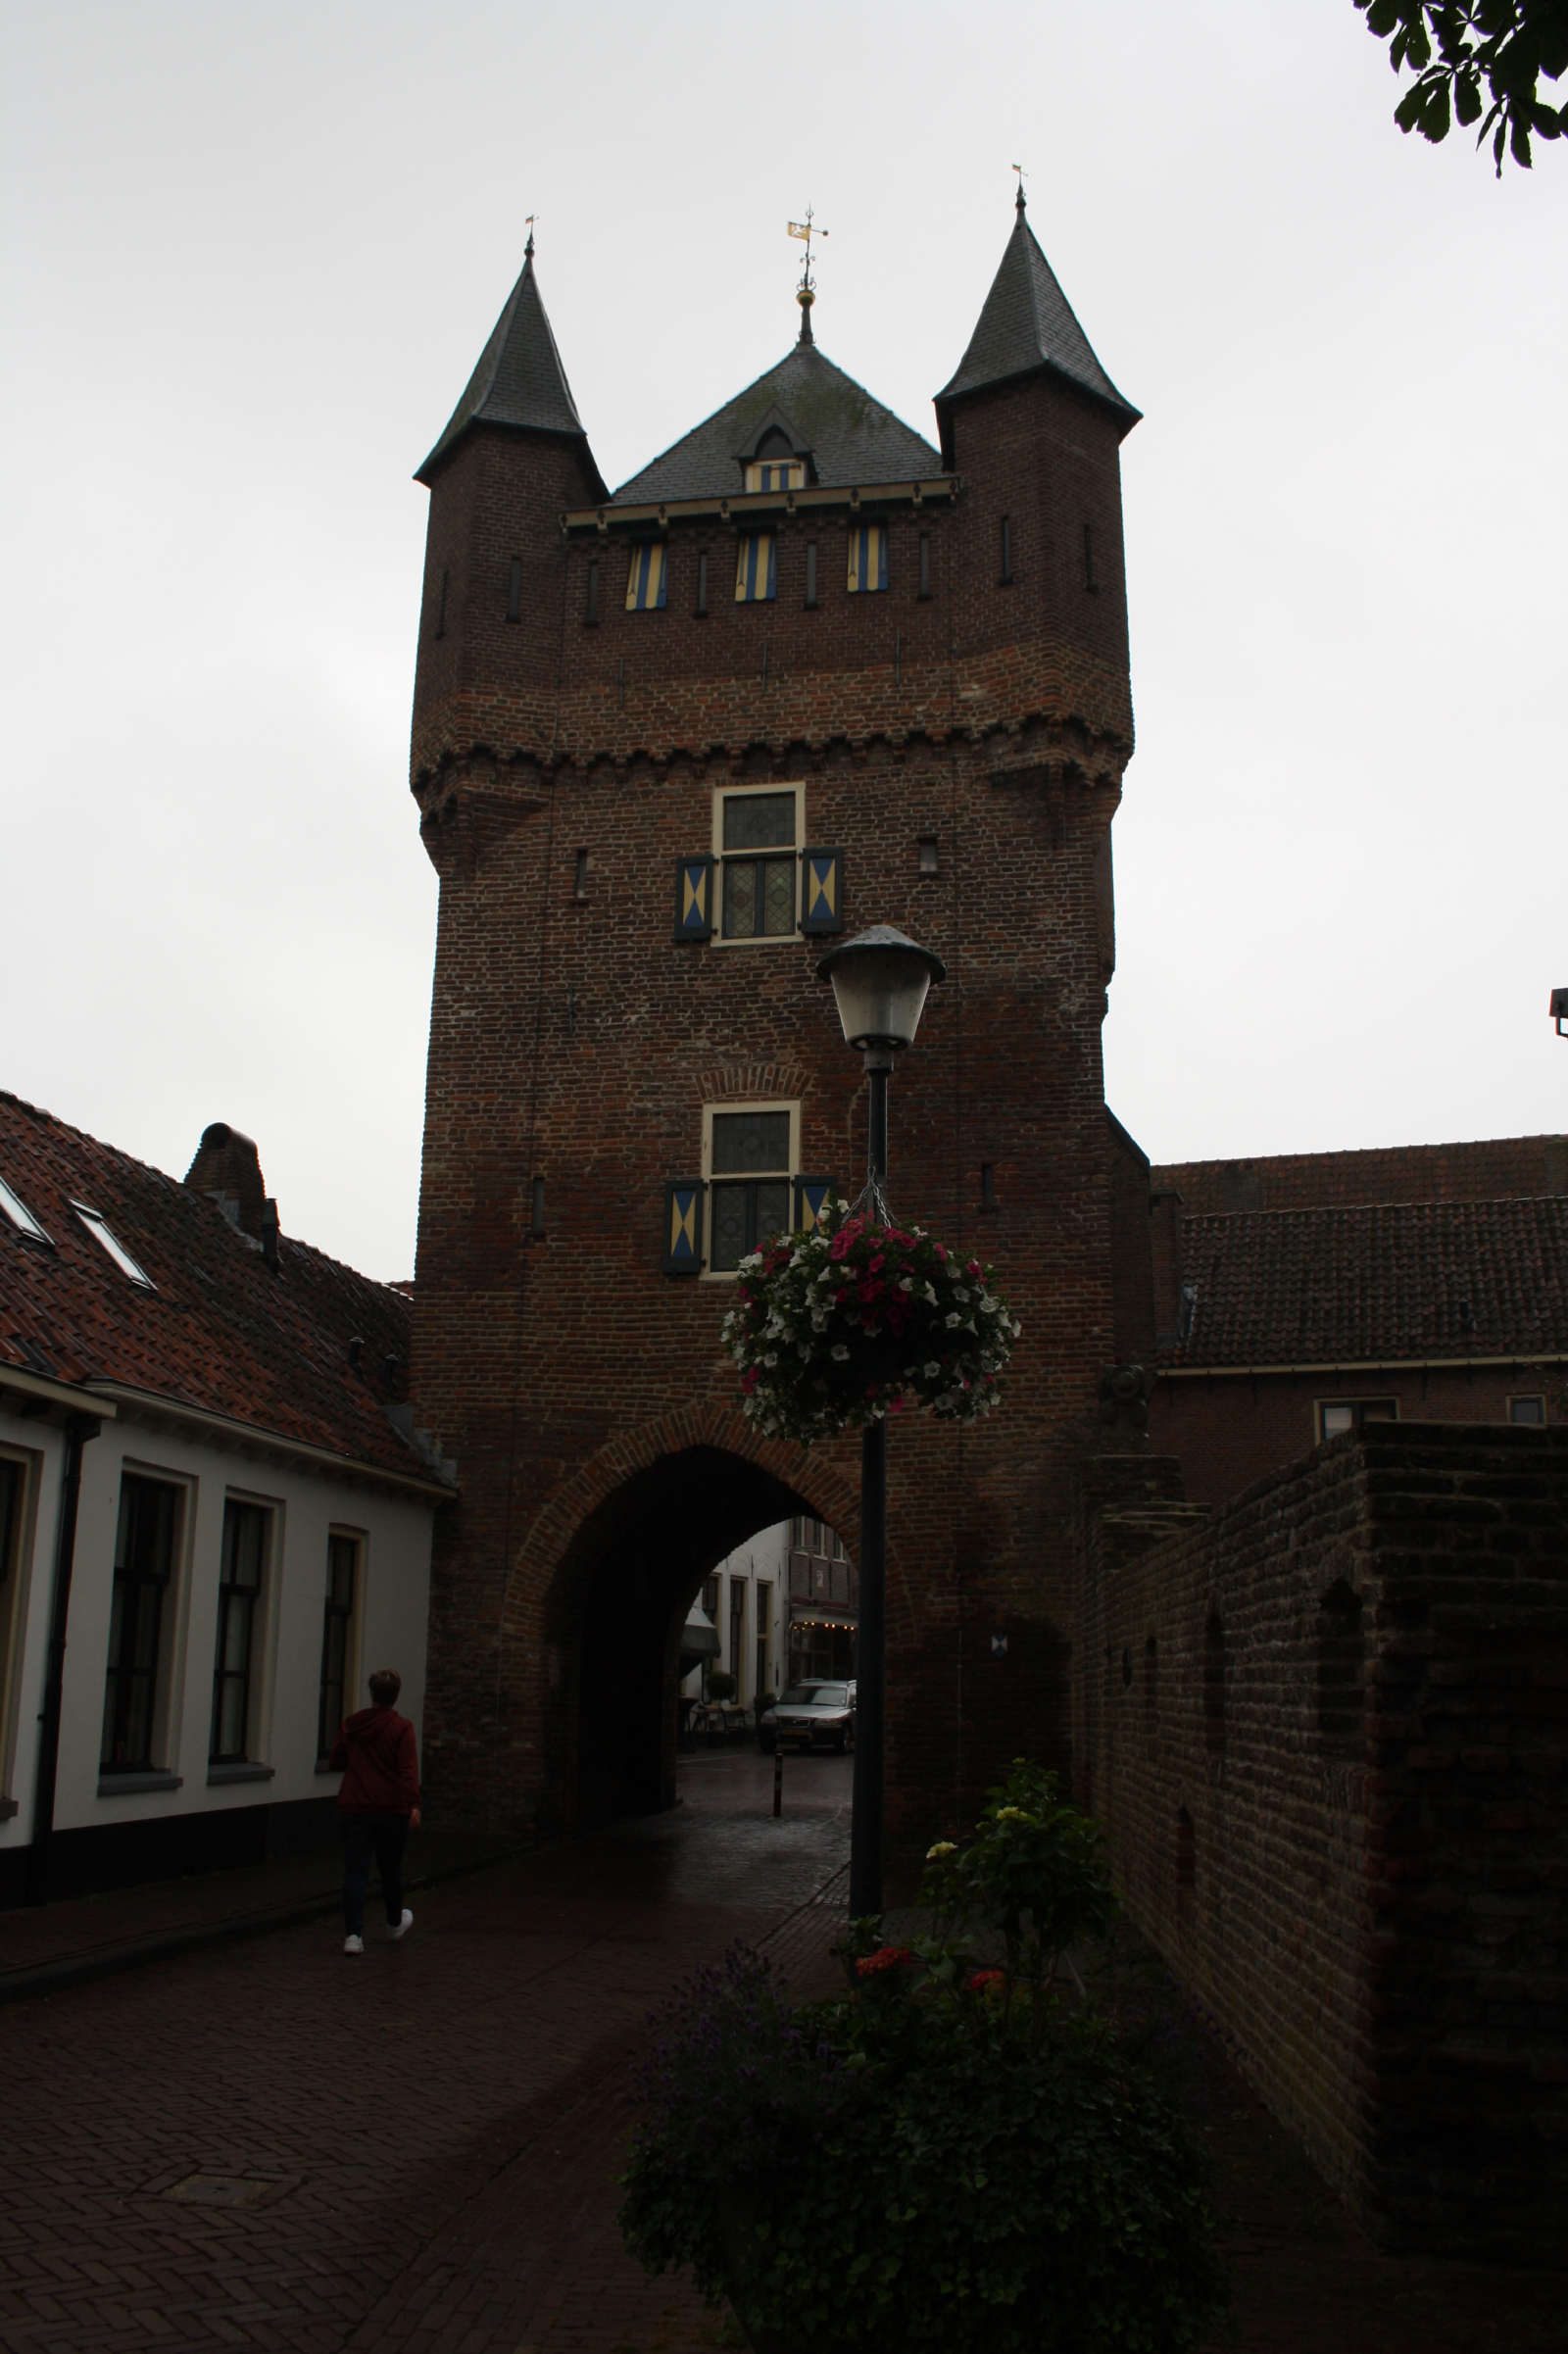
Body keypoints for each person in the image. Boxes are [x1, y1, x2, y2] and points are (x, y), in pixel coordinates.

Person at [329, 1667, 421, 1955]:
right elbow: (407, 1770)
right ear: (395, 1696)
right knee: (390, 1869)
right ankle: (394, 1925)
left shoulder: (352, 1725)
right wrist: (413, 1803)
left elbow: (335, 1761)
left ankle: (353, 1937)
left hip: (354, 1807)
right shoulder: (401, 1728)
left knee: (355, 1872)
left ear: (372, 1694)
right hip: (391, 1810)